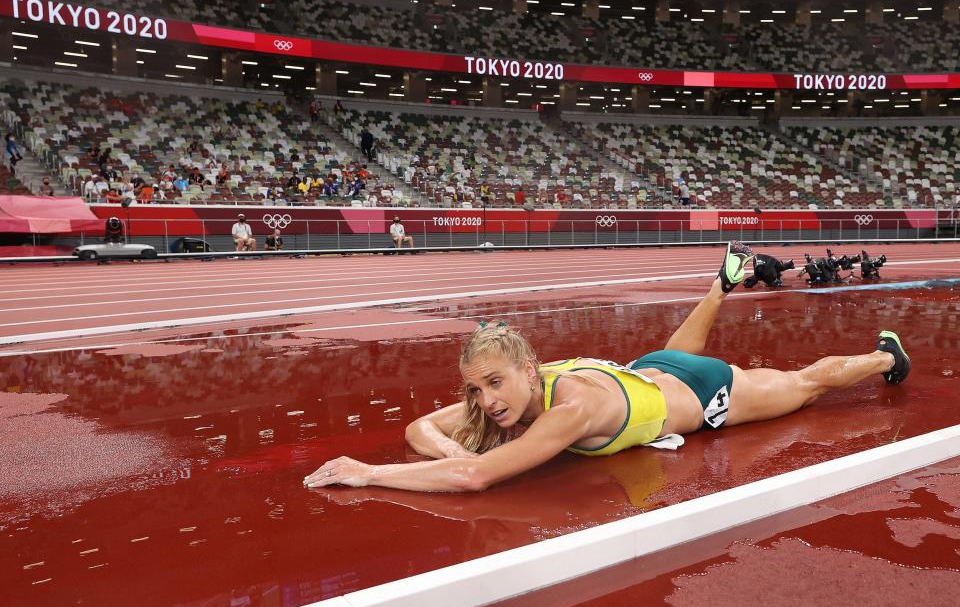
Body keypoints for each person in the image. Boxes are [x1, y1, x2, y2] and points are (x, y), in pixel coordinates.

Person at [304, 242, 911, 492]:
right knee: (671, 354)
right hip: (649, 368)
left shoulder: (570, 408)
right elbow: (418, 430)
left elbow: (476, 479)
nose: (488, 402)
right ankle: (723, 285)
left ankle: (887, 357)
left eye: (494, 384)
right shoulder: (512, 395)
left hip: (706, 394)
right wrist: (454, 451)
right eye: (477, 389)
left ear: (528, 368)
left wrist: (369, 473)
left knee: (803, 387)